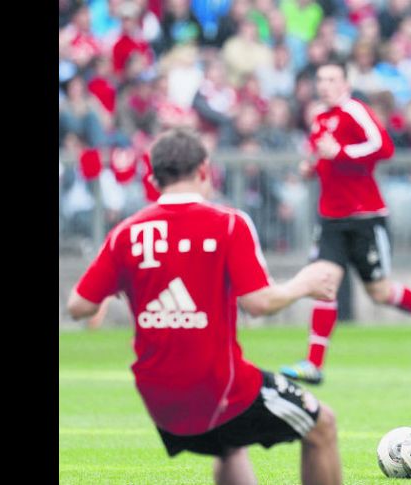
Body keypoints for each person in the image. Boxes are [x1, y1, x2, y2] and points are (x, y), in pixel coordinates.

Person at [66, 129, 342, 485]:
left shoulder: (126, 234)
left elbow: (78, 307)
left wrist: (120, 287)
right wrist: (302, 285)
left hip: (158, 395)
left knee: (229, 445)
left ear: (152, 178)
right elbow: (258, 304)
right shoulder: (228, 223)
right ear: (204, 170)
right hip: (219, 387)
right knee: (323, 425)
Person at [279, 60, 411, 385]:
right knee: (324, 283)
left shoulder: (355, 111)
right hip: (331, 218)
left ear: (345, 83)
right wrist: (311, 168)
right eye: (321, 79)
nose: (325, 84)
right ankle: (313, 363)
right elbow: (326, 160)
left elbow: (382, 147)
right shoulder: (320, 119)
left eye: (332, 78)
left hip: (365, 217)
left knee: (380, 292)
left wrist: (340, 151)